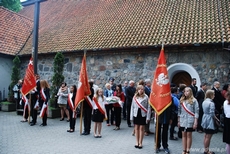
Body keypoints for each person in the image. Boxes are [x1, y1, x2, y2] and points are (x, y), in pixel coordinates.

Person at [178, 87, 199, 154]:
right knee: (183, 135)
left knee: (189, 135)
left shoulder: (194, 100)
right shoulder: (181, 100)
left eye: (187, 91)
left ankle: (188, 150)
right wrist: (178, 120)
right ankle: (184, 150)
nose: (186, 92)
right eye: (185, 91)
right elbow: (179, 111)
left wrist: (195, 121)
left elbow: (196, 111)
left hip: (190, 120)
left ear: (190, 92)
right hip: (183, 120)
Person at [130, 85, 151, 149]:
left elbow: (149, 107)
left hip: (143, 114)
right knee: (136, 128)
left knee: (142, 128)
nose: (140, 90)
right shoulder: (135, 97)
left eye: (142, 89)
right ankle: (136, 142)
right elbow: (132, 107)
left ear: (143, 90)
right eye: (139, 89)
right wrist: (131, 117)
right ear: (137, 90)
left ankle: (140, 142)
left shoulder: (146, 97)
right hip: (136, 113)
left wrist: (148, 117)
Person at [201, 90, 216, 154]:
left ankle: (205, 149)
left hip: (204, 118)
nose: (214, 96)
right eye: (213, 94)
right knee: (208, 136)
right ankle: (206, 151)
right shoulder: (211, 103)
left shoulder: (204, 101)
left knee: (206, 135)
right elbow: (212, 113)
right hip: (209, 119)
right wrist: (215, 119)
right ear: (211, 95)